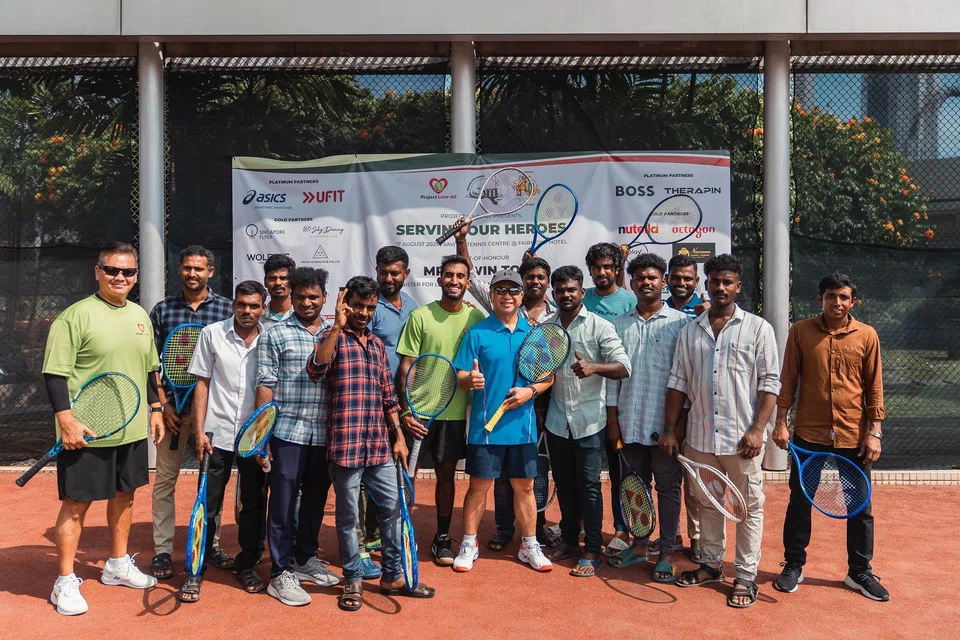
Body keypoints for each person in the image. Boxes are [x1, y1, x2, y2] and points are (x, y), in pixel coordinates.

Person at [43, 241, 164, 615]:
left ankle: (116, 564)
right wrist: (67, 421)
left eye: (127, 271)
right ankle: (64, 582)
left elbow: (147, 369)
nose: (120, 277)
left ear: (136, 276)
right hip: (87, 432)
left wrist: (156, 408)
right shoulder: (74, 317)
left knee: (125, 497)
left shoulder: (140, 315)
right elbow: (54, 374)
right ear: (98, 272)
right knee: (76, 505)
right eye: (112, 270)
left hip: (129, 430)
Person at [309, 277, 436, 611]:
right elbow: (316, 369)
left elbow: (388, 397)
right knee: (348, 518)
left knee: (394, 510)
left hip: (380, 446)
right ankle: (352, 580)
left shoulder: (378, 346)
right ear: (345, 304)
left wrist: (398, 437)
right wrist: (336, 326)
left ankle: (393, 576)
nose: (363, 313)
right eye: (357, 306)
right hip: (345, 448)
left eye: (369, 307)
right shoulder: (330, 337)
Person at [663, 253, 780, 608]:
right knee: (708, 502)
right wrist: (670, 429)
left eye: (727, 282)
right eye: (714, 281)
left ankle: (745, 576)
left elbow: (770, 383)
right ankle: (712, 565)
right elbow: (678, 383)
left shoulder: (759, 328)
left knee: (748, 507)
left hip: (741, 440)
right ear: (706, 284)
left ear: (738, 286)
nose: (720, 288)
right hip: (699, 437)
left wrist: (758, 430)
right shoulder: (690, 330)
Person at [773, 272, 889, 602]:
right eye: (830, 296)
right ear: (820, 299)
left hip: (855, 437)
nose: (836, 303)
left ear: (853, 302)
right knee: (799, 501)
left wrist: (875, 433)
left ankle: (859, 571)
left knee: (860, 506)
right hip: (808, 436)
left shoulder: (867, 336)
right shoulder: (801, 332)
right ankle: (793, 564)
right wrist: (781, 422)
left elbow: (874, 388)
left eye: (843, 297)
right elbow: (788, 380)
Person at [455, 220, 558, 550]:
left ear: (521, 294)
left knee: (525, 487)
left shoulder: (534, 333)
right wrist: (470, 379)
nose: (507, 295)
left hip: (524, 429)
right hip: (485, 428)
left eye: (514, 290)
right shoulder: (477, 333)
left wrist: (531, 391)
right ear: (494, 295)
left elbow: (549, 377)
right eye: (500, 290)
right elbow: (459, 375)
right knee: (478, 487)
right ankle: (469, 545)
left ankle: (530, 545)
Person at [176, 281, 269, 603]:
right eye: (241, 305)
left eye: (254, 306)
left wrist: (264, 437)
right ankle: (195, 571)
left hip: (253, 437)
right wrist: (199, 431)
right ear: (233, 305)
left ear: (263, 309)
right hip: (215, 435)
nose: (247, 311)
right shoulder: (211, 334)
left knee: (254, 503)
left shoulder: (269, 339)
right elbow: (202, 384)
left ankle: (246, 564)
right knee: (208, 503)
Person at [256, 267, 340, 606]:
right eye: (301, 296)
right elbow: (265, 385)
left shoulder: (337, 333)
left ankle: (305, 560)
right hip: (287, 433)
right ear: (291, 296)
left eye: (314, 296)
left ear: (324, 297)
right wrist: (262, 438)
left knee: (317, 501)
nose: (307, 302)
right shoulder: (274, 334)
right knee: (282, 504)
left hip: (324, 435)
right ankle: (279, 573)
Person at [148, 245, 234, 580]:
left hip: (212, 416)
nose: (193, 274)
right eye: (187, 268)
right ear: (179, 270)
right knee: (165, 481)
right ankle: (162, 552)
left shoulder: (228, 309)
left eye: (199, 268)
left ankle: (210, 544)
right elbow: (152, 362)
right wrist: (163, 404)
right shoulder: (163, 310)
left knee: (211, 481)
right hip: (172, 412)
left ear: (210, 271)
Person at [605, 254, 691, 582]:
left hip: (664, 429)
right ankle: (640, 544)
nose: (646, 282)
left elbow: (684, 380)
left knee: (668, 488)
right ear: (633, 282)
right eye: (639, 277)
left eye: (652, 277)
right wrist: (613, 421)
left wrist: (675, 428)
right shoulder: (619, 325)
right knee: (633, 487)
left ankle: (666, 552)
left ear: (664, 281)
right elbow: (613, 378)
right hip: (628, 423)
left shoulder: (680, 325)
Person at [396, 255, 485, 565]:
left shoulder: (476, 320)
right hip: (419, 414)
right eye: (449, 275)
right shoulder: (420, 317)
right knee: (405, 477)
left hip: (454, 415)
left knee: (447, 477)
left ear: (468, 283)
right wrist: (407, 411)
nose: (454, 281)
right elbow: (406, 366)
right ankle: (399, 535)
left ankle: (442, 537)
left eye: (461, 276)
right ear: (439, 279)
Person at [542, 265, 630, 577]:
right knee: (564, 485)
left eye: (572, 289)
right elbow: (540, 365)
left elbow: (623, 366)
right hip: (556, 421)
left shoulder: (599, 326)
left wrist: (594, 367)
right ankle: (568, 541)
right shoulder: (546, 325)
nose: (566, 294)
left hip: (590, 421)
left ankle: (592, 549)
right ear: (554, 293)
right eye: (560, 290)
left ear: (582, 292)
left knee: (590, 487)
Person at [358, 246, 419, 570]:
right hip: (371, 403)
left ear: (406, 274)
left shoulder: (411, 306)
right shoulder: (370, 305)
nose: (389, 278)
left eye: (395, 273)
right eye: (383, 272)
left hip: (400, 404)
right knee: (367, 474)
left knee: (391, 470)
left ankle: (381, 531)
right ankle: (365, 539)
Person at [583, 242, 638, 556]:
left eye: (608, 266)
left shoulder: (631, 299)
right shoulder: (582, 298)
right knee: (585, 472)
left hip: (619, 401)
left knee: (621, 470)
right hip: (585, 402)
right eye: (597, 267)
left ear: (617, 269)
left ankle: (622, 528)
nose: (602, 272)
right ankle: (576, 523)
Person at [661, 253, 710, 562]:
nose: (681, 283)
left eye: (687, 278)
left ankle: (698, 538)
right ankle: (670, 536)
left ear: (696, 281)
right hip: (663, 406)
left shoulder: (707, 311)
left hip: (696, 410)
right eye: (676, 278)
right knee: (666, 480)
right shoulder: (658, 308)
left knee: (694, 482)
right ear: (668, 280)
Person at [262, 254, 297, 328]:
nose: (278, 283)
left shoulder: (303, 316)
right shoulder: (258, 320)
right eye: (272, 278)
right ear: (265, 282)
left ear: (292, 281)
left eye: (283, 278)